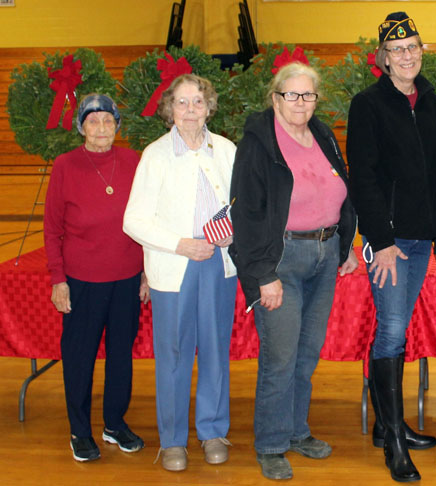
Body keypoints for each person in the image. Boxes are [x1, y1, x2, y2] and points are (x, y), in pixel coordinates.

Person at [228, 62, 358, 481]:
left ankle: (297, 431)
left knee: (307, 353)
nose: (301, 103)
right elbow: (245, 215)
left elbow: (341, 188)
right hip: (280, 259)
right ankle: (270, 443)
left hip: (324, 255)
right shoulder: (259, 143)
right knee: (280, 357)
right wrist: (261, 274)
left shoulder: (320, 133)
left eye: (309, 95)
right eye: (292, 95)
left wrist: (346, 243)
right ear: (275, 97)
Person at [123, 74, 238, 472]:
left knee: (214, 349)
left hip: (219, 265)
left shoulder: (225, 150)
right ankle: (173, 440)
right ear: (170, 109)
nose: (191, 111)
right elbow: (134, 220)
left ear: (209, 107)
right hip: (174, 264)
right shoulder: (155, 155)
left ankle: (212, 430)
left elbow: (243, 204)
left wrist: (233, 232)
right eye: (182, 103)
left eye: (198, 102)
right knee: (173, 353)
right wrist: (181, 244)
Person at [346, 11, 436, 483]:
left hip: (421, 237)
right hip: (389, 240)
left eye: (413, 47)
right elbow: (361, 175)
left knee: (397, 330)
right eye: (397, 50)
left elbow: (434, 174)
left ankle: (389, 425)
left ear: (421, 52)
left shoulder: (429, 99)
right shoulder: (368, 104)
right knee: (392, 330)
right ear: (384, 58)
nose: (407, 55)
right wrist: (378, 240)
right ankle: (394, 445)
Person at [44, 93, 147, 462]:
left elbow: (148, 219)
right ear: (81, 127)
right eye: (93, 121)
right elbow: (52, 228)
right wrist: (58, 279)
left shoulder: (134, 160)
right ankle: (80, 430)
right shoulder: (65, 165)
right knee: (79, 357)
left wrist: (147, 273)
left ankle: (114, 423)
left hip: (127, 278)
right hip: (81, 281)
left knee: (121, 355)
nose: (101, 128)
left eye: (108, 121)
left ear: (117, 126)